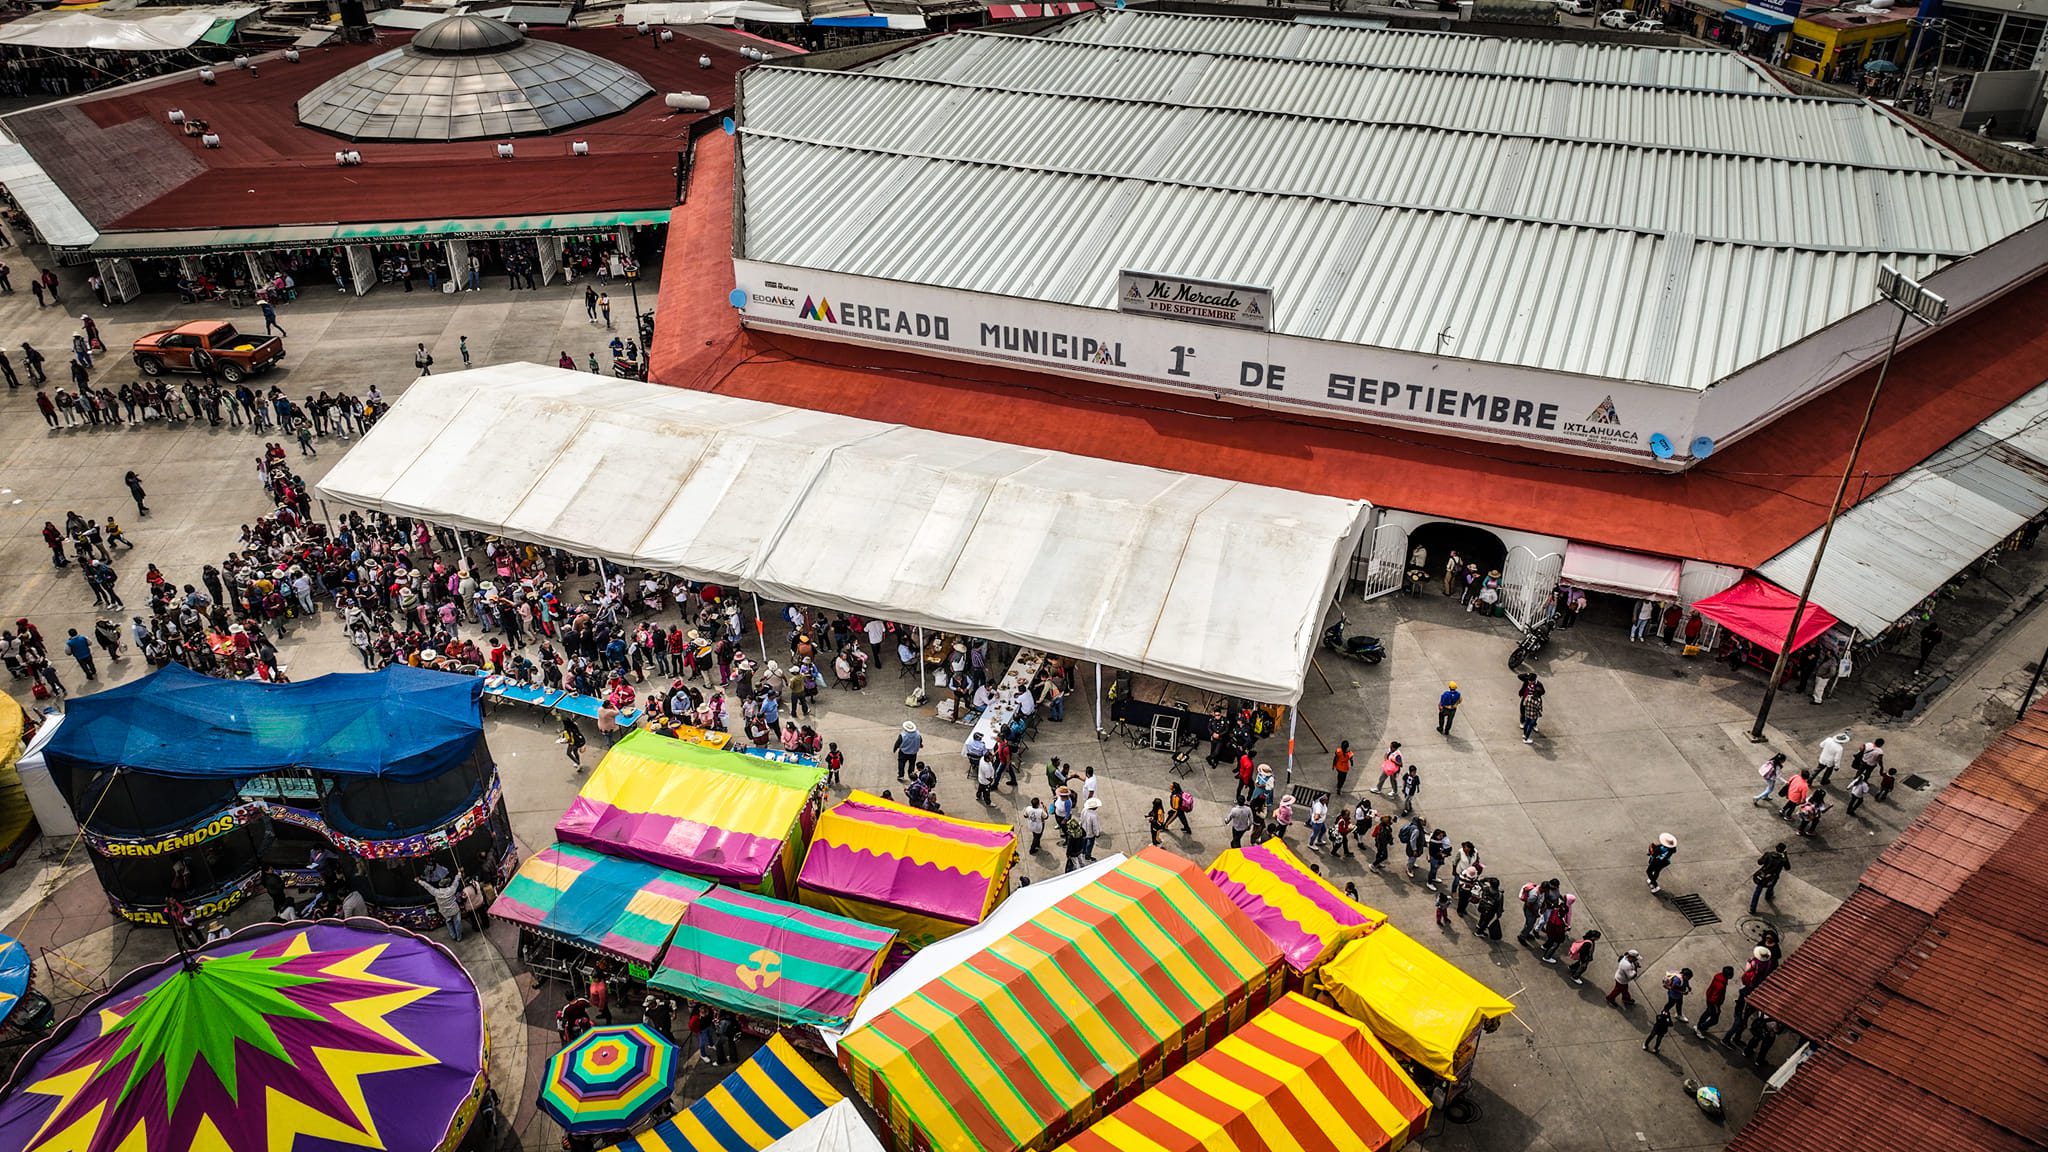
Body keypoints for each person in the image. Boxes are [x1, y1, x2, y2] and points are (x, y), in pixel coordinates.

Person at [416, 869, 465, 941]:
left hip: (444, 912)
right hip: (454, 910)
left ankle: (453, 936)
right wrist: (459, 873)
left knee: (449, 923)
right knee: (457, 923)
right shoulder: (451, 890)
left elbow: (427, 886)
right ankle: (459, 937)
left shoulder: (436, 892)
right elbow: (456, 881)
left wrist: (419, 881)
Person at [1695, 965, 1733, 1039]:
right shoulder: (1721, 985)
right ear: (1728, 975)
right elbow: (1714, 998)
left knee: (1707, 1013)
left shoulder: (1719, 977)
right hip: (1714, 1003)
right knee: (1714, 1020)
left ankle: (1700, 1025)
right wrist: (1716, 1008)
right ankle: (1701, 1027)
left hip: (1709, 998)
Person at [1750, 842, 1790, 912]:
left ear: (1776, 848)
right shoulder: (1782, 860)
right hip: (1773, 878)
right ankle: (1768, 896)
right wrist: (1786, 856)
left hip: (1763, 875)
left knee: (1757, 891)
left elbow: (1759, 862)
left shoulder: (1768, 854)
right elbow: (1788, 868)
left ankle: (1752, 908)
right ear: (1783, 850)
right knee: (1771, 886)